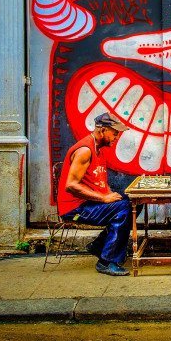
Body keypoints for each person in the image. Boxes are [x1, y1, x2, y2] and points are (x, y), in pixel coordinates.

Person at [57, 112, 133, 276]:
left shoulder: (100, 150)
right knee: (125, 208)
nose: (116, 137)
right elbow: (70, 185)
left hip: (89, 204)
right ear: (103, 131)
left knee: (133, 202)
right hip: (75, 209)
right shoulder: (85, 150)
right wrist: (104, 198)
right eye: (115, 133)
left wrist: (110, 196)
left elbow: (100, 182)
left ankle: (99, 246)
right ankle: (106, 261)